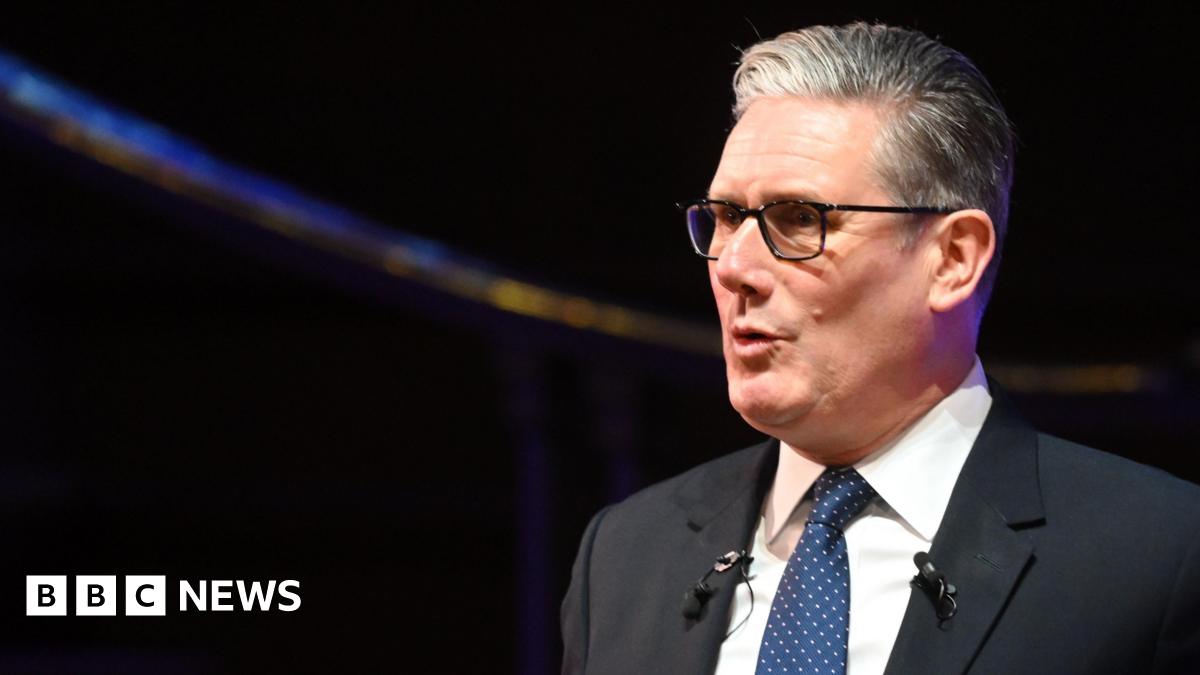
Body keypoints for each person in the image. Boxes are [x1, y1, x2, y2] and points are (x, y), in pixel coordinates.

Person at [561, 22, 1200, 675]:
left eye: (800, 219)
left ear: (952, 259)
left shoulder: (1159, 558)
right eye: (725, 217)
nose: (734, 266)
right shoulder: (624, 555)